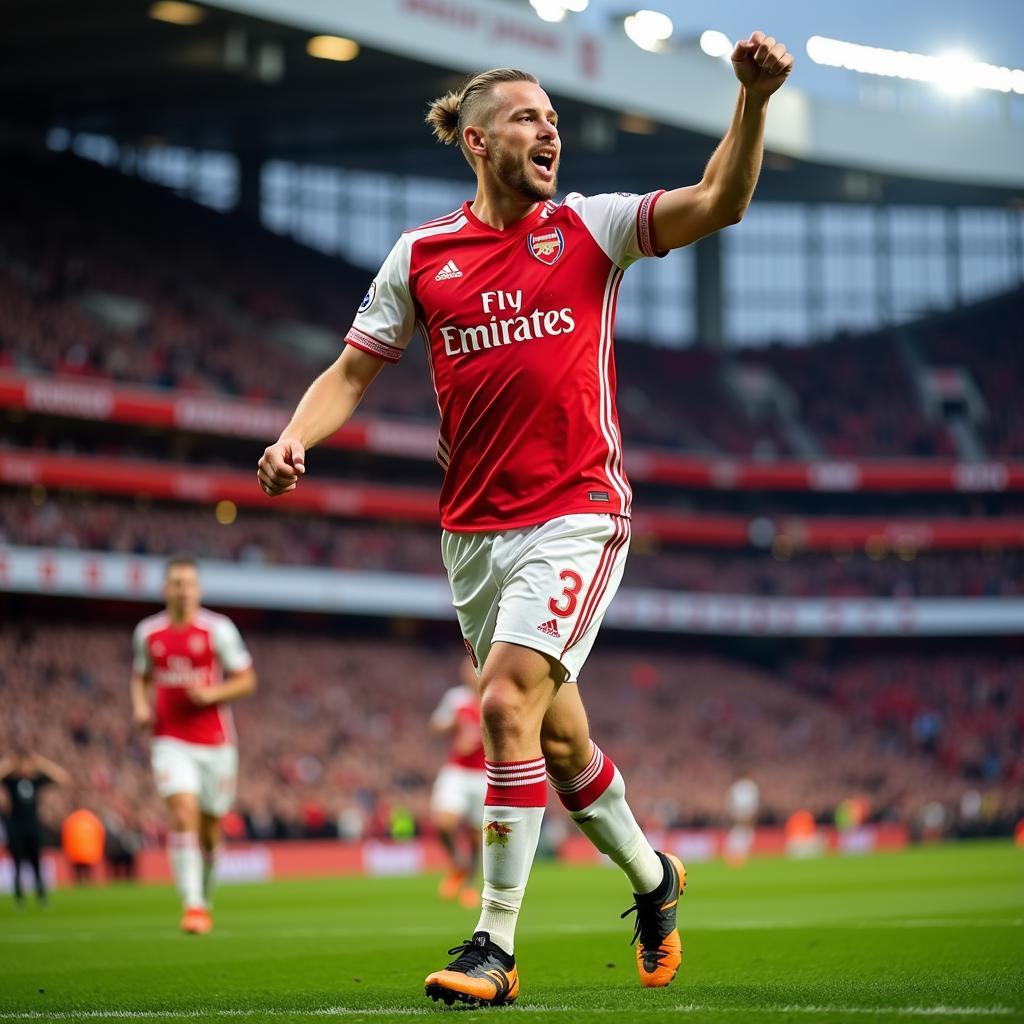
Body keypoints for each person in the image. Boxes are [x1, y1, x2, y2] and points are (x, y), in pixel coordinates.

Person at [258, 32, 792, 1006]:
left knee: (504, 704)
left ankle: (491, 947)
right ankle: (655, 877)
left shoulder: (592, 229)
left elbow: (722, 201)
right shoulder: (422, 256)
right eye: (526, 118)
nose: (550, 131)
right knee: (556, 742)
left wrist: (750, 102)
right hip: (471, 533)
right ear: (474, 141)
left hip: (576, 509)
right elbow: (350, 370)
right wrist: (297, 436)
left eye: (554, 119)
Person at [130, 555, 256, 934]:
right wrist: (139, 705)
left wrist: (213, 692)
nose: (182, 590)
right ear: (165, 589)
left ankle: (205, 894)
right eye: (176, 583)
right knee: (182, 812)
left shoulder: (217, 629)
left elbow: (246, 680)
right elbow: (140, 677)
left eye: (188, 583)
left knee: (210, 828)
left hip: (216, 742)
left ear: (198, 589)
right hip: (170, 739)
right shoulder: (148, 633)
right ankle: (193, 905)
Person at [430, 657, 486, 909]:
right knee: (443, 823)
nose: (470, 674)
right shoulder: (456, 698)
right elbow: (436, 727)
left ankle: (470, 884)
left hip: (484, 775)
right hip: (457, 771)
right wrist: (453, 725)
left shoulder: (493, 697)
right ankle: (457, 863)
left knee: (476, 836)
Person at [0, 748, 70, 908]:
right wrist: (10, 764)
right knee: (17, 864)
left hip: (32, 827)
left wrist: (41, 763)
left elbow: (62, 778)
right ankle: (19, 897)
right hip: (16, 828)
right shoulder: (11, 781)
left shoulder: (35, 781)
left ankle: (41, 896)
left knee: (36, 863)